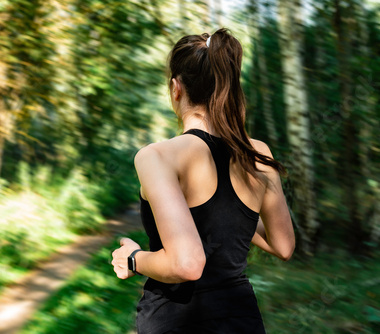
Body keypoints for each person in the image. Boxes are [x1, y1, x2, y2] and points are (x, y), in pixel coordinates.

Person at [111, 28, 295, 334]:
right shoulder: (258, 153)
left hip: (177, 322)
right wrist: (234, 218)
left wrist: (133, 258)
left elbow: (187, 264)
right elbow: (284, 245)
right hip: (243, 321)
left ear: (176, 88)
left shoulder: (158, 156)